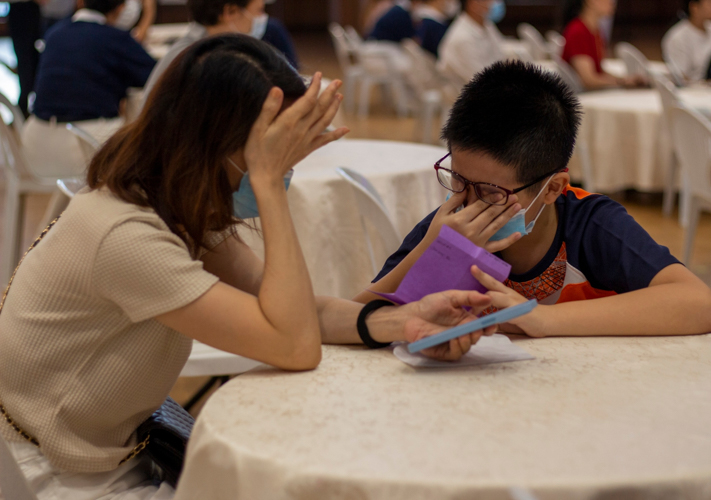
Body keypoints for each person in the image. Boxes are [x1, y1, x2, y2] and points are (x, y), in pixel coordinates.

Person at [0, 35, 495, 499]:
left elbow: (296, 313)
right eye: (274, 150)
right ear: (215, 144)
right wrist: (268, 184)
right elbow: (295, 344)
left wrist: (405, 322)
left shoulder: (170, 204)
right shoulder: (127, 236)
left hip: (111, 453)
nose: (286, 167)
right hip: (53, 478)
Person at [355, 61, 711, 338]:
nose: (468, 202)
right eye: (457, 179)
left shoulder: (591, 225)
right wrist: (429, 251)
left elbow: (699, 304)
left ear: (552, 188)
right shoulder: (450, 227)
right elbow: (359, 317)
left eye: (491, 193)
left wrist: (541, 318)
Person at [21, 0, 155, 178]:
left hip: (35, 147)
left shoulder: (54, 34)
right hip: (87, 150)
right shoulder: (114, 38)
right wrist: (148, 15)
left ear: (80, 2)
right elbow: (157, 77)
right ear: (121, 7)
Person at [142, 0, 297, 102]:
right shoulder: (201, 61)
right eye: (259, 10)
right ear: (230, 11)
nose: (262, 18)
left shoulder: (196, 48)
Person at [561, 0, 644, 90]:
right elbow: (588, 80)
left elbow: (599, 72)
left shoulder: (596, 31)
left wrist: (625, 79)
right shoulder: (577, 31)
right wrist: (622, 82)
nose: (612, 2)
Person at [437, 0, 508, 83]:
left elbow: (500, 50)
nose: (495, 2)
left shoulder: (486, 24)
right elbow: (480, 80)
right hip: (472, 92)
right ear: (473, 4)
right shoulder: (463, 38)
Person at [7, 0, 41, 117]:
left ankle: (30, 108)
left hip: (33, 9)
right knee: (25, 64)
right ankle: (22, 111)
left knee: (34, 62)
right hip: (19, 9)